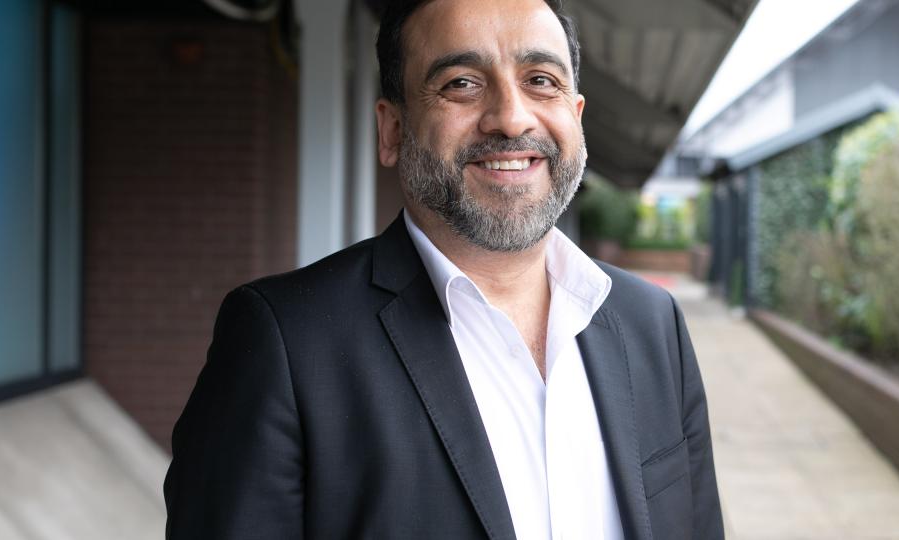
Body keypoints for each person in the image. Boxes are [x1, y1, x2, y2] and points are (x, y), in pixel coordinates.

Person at [162, 0, 722, 538]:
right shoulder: (283, 343)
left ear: (575, 117)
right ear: (393, 130)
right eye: (461, 83)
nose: (510, 117)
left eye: (541, 80)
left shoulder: (654, 324)